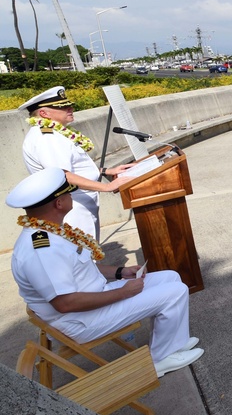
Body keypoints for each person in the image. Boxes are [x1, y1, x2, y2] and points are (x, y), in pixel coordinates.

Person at [7, 168, 203, 377]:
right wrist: (124, 292)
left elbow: (80, 268)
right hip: (82, 320)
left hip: (94, 297)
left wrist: (121, 272)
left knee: (171, 277)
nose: (71, 195)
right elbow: (65, 303)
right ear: (59, 203)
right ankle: (161, 359)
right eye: (68, 193)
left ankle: (174, 342)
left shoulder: (51, 230)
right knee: (175, 291)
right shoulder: (42, 250)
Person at [20, 86, 134, 239]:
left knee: (89, 251)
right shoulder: (47, 137)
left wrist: (106, 171)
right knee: (84, 254)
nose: (70, 108)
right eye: (63, 107)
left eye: (69, 105)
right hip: (73, 205)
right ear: (43, 113)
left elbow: (74, 166)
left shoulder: (55, 133)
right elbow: (62, 176)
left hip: (79, 200)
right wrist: (106, 187)